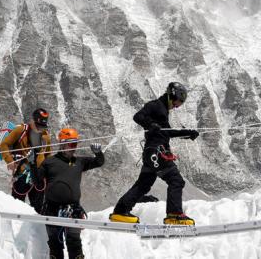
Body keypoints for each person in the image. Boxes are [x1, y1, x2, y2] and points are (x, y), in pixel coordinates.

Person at [109, 82, 199, 225]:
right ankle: (174, 214)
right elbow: (138, 116)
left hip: (151, 154)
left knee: (143, 185)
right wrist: (150, 124)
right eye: (178, 101)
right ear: (172, 95)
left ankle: (121, 210)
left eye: (181, 103)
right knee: (176, 181)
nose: (178, 105)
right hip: (157, 153)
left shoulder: (163, 110)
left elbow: (167, 132)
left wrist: (188, 133)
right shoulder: (156, 105)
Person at [31, 128, 104, 259]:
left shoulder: (80, 162)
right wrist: (32, 164)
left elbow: (99, 162)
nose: (73, 148)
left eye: (75, 144)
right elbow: (37, 183)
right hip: (52, 209)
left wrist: (98, 153)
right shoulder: (49, 162)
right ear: (62, 143)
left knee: (74, 242)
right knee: (55, 244)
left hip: (73, 209)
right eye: (71, 144)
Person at [0, 108, 52, 213]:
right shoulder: (21, 130)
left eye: (42, 127)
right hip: (22, 173)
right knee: (17, 205)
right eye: (38, 126)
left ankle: (35, 227)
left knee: (38, 208)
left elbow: (48, 155)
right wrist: (9, 160)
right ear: (32, 121)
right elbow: (4, 144)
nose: (40, 129)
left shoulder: (46, 137)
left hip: (39, 176)